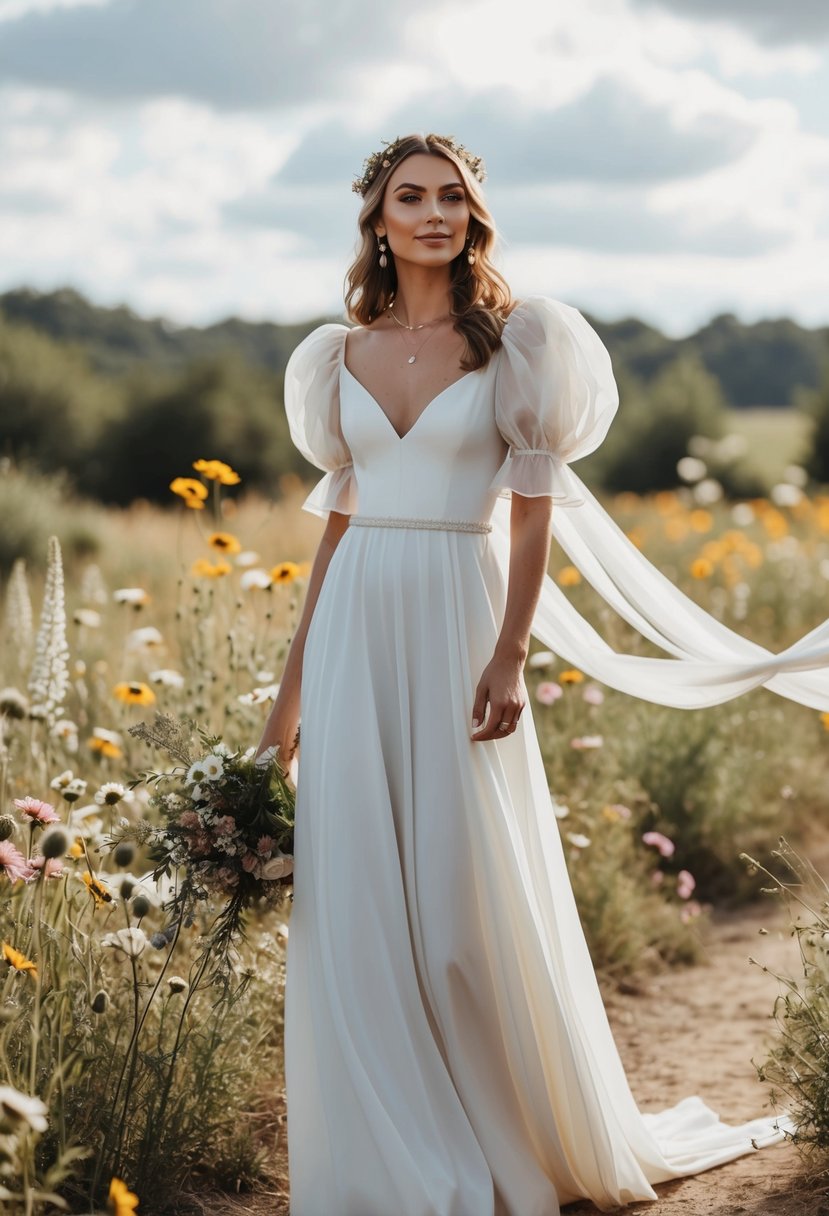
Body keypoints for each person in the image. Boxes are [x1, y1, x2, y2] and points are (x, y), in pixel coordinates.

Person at [256, 132, 829, 1216]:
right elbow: (333, 534)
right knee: (359, 896)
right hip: (354, 630)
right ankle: (387, 1148)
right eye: (410, 198)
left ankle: (504, 1124)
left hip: (459, 613)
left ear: (475, 215)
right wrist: (287, 700)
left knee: (464, 891)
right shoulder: (334, 356)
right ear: (375, 219)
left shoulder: (519, 344)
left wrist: (510, 648)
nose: (434, 214)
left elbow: (530, 521)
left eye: (453, 197)